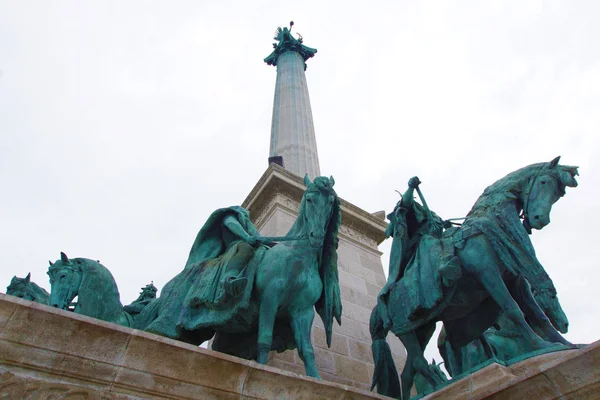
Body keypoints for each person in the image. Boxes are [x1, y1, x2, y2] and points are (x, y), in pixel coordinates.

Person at [377, 176, 450, 329]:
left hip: (439, 241)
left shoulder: (430, 214)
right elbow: (405, 203)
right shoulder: (409, 209)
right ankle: (444, 271)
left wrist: (444, 225)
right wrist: (410, 187)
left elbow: (438, 229)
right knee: (430, 245)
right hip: (424, 244)